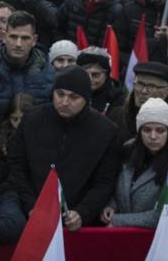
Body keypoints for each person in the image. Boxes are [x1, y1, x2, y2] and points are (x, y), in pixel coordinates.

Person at [8, 66, 122, 229]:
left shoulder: (106, 131)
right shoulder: (32, 119)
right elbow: (17, 166)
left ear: (86, 98)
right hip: (30, 215)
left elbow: (105, 181)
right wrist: (31, 205)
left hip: (77, 221)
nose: (64, 102)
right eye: (60, 94)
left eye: (73, 97)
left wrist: (83, 212)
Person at [102, 98, 168, 228]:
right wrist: (111, 205)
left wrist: (118, 220)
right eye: (147, 130)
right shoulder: (128, 150)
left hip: (155, 241)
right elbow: (116, 185)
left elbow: (165, 213)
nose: (153, 136)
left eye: (160, 130)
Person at [0, 11, 56, 122]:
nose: (18, 44)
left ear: (34, 40)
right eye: (13, 37)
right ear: (4, 37)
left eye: (25, 38)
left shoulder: (50, 74)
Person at [77, 47, 126, 116]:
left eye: (95, 75)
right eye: (84, 73)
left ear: (106, 75)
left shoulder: (117, 99)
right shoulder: (68, 90)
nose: (89, 79)